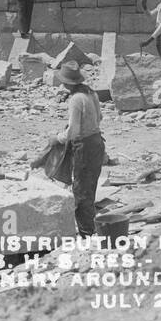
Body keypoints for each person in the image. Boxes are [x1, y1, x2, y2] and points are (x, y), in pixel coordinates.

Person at [56, 60, 106, 236]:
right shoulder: (91, 93)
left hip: (84, 146)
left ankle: (87, 233)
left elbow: (73, 130)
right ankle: (91, 228)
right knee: (90, 188)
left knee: (81, 191)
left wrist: (57, 139)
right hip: (97, 142)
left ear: (67, 83)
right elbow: (99, 117)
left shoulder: (76, 99)